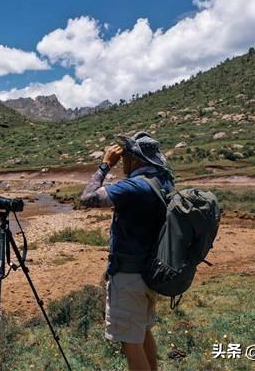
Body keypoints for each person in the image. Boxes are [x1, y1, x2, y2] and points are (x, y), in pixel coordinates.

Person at [80, 131, 174, 371]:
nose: (123, 161)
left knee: (131, 346)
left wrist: (105, 165)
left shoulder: (135, 186)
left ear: (137, 160)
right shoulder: (162, 182)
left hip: (129, 278)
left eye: (127, 156)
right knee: (142, 332)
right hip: (149, 273)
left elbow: (88, 197)